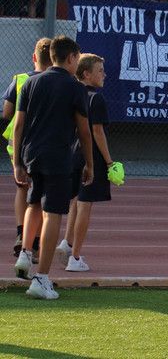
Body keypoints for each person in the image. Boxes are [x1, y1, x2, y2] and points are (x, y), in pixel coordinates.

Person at [12, 36, 92, 300]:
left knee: (34, 203)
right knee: (53, 213)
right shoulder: (75, 87)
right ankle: (42, 278)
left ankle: (25, 253)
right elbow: (83, 130)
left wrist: (17, 162)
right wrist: (89, 164)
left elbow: (18, 125)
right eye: (77, 58)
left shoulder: (31, 81)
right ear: (70, 58)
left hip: (31, 153)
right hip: (58, 156)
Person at [55, 54, 114, 272]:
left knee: (75, 200)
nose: (104, 75)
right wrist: (109, 161)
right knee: (84, 205)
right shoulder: (95, 99)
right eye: (100, 71)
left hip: (72, 153)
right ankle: (75, 257)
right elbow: (97, 132)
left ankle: (67, 243)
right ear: (86, 74)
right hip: (91, 157)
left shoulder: (72, 94)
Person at [3, 37, 51, 257]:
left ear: (34, 57)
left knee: (22, 189)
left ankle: (22, 233)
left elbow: (7, 113)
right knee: (42, 191)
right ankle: (37, 239)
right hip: (44, 143)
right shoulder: (56, 82)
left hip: (19, 144)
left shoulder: (20, 79)